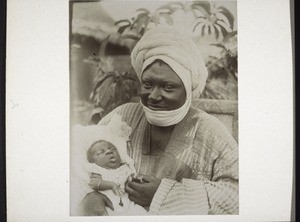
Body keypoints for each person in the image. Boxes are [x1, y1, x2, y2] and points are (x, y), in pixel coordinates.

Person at [76, 26, 238, 215]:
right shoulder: (124, 116)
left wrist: (165, 194)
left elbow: (237, 194)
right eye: (148, 84)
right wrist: (89, 195)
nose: (153, 95)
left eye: (168, 87)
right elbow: (79, 159)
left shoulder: (209, 131)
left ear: (187, 90)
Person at [71, 114, 147, 215]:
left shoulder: (125, 167)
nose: (109, 152)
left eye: (112, 149)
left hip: (128, 204)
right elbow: (94, 183)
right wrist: (111, 185)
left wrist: (136, 179)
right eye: (100, 153)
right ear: (93, 161)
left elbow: (130, 180)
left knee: (142, 213)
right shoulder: (97, 170)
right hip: (107, 204)